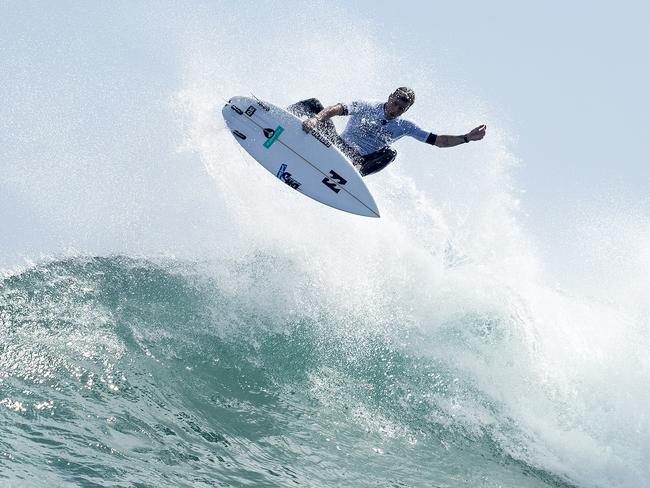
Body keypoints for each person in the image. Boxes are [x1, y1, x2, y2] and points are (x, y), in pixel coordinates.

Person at [287, 87, 487, 176]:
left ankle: (353, 177)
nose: (396, 108)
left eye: (402, 108)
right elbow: (337, 108)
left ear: (406, 110)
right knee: (314, 104)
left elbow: (438, 141)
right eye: (395, 102)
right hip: (336, 145)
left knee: (391, 153)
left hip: (356, 161)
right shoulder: (367, 105)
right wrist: (316, 119)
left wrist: (466, 138)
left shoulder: (405, 126)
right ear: (390, 96)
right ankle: (277, 121)